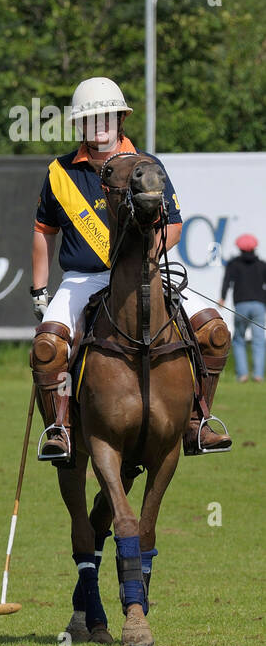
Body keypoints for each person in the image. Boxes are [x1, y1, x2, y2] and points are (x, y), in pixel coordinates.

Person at [29, 76, 232, 463]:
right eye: (90, 118)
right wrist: (40, 291)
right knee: (47, 347)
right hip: (83, 279)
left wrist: (149, 255)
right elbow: (43, 232)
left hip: (146, 273)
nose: (99, 125)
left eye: (107, 116)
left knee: (215, 332)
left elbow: (173, 223)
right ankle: (60, 427)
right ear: (80, 125)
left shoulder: (147, 166)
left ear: (120, 120)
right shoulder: (60, 172)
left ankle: (198, 418)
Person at [218, 233, 266, 382]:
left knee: (239, 340)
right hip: (259, 305)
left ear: (239, 248)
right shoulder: (262, 265)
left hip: (241, 306)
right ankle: (258, 375)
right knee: (259, 341)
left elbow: (227, 282)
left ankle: (243, 374)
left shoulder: (234, 264)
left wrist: (222, 298)